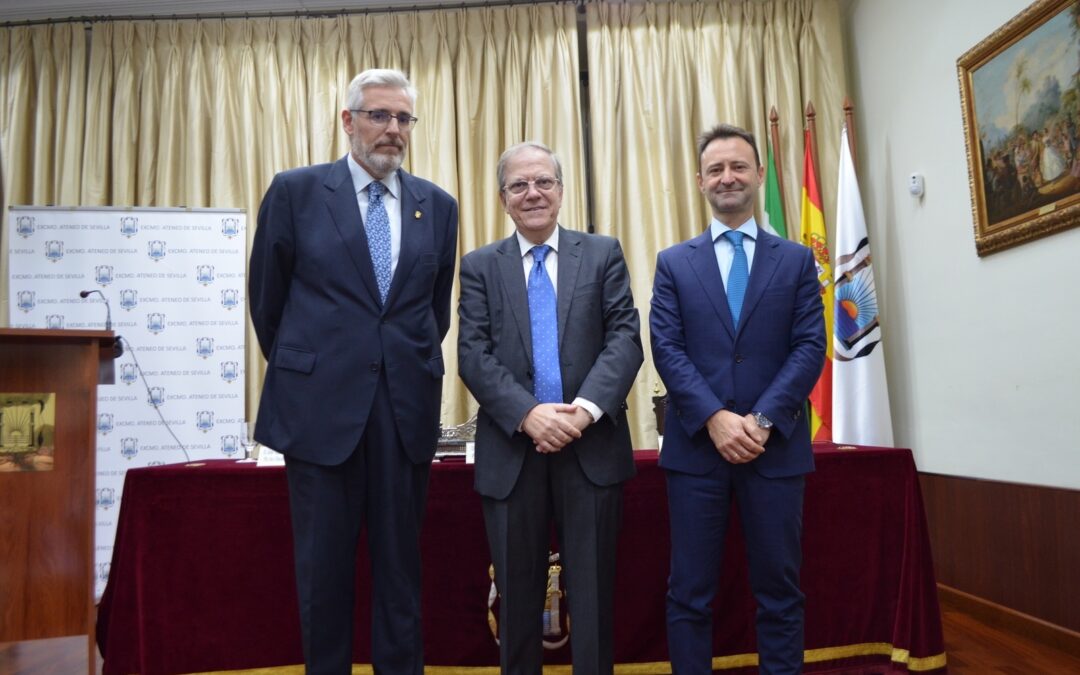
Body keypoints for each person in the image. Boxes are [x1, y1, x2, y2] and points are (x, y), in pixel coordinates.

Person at [248, 68, 458, 675]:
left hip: (403, 414)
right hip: (319, 415)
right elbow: (269, 302)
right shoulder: (296, 191)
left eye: (403, 119)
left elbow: (431, 312)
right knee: (322, 577)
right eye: (379, 116)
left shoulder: (436, 207)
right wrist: (314, 370)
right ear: (348, 121)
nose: (392, 130)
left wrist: (397, 367)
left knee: (401, 577)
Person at [457, 142, 643, 674]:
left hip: (593, 449)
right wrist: (528, 413)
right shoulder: (478, 267)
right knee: (516, 602)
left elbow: (626, 339)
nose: (532, 193)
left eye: (543, 181)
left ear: (561, 191)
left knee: (594, 598)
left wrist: (581, 412)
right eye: (519, 185)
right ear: (502, 199)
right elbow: (472, 353)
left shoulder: (603, 253)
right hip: (512, 454)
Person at [650, 124, 826, 674]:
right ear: (700, 181)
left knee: (780, 593)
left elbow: (810, 346)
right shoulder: (673, 262)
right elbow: (667, 347)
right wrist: (716, 420)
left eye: (739, 166)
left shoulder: (796, 260)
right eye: (716, 169)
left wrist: (763, 419)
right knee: (689, 595)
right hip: (697, 452)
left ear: (759, 174)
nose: (728, 177)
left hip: (775, 450)